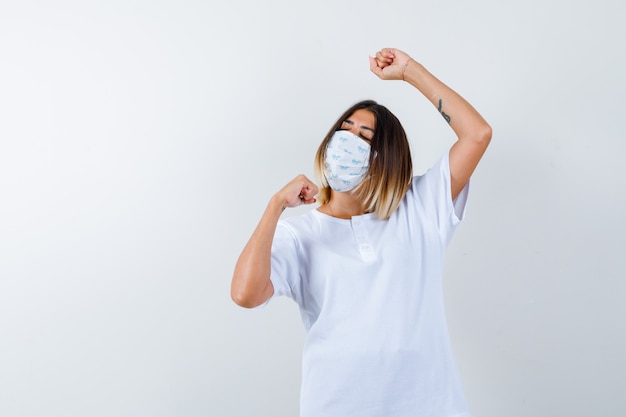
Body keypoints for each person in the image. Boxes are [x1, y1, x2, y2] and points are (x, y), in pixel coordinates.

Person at [231, 47, 492, 417]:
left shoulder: (420, 207)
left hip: (430, 405)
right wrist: (275, 206)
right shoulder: (300, 234)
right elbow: (245, 294)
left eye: (365, 136)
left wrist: (410, 72)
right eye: (345, 129)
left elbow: (477, 134)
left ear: (384, 157)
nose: (348, 140)